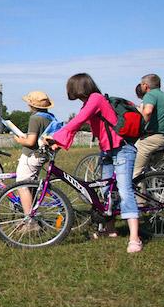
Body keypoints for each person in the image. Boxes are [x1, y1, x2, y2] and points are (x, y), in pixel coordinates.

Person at [46, 73, 142, 253]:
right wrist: (57, 143)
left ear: (78, 87)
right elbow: (76, 126)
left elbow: (78, 120)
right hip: (107, 150)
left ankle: (135, 238)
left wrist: (55, 136)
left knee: (124, 190)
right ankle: (111, 230)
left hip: (122, 148)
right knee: (107, 191)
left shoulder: (96, 99)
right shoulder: (87, 103)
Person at [13, 91, 56, 224]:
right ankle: (31, 215)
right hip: (42, 155)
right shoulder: (49, 117)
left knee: (23, 186)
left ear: (31, 105)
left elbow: (31, 142)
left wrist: (19, 140)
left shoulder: (35, 118)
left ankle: (30, 221)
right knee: (30, 185)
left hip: (31, 155)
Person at [133, 74, 164, 177]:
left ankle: (135, 191)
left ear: (145, 85)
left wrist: (140, 126)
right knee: (154, 169)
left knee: (134, 169)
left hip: (153, 138)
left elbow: (148, 111)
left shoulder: (150, 95)